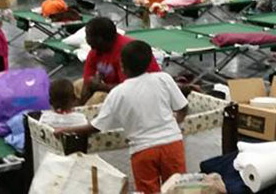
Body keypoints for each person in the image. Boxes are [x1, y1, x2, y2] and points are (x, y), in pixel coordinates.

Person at [59, 40, 188, 194]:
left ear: (121, 65)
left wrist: (64, 130)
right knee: (178, 189)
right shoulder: (164, 78)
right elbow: (183, 107)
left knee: (148, 191)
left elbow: (95, 127)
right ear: (150, 62)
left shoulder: (118, 93)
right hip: (172, 144)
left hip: (143, 150)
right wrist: (175, 125)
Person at [79, 17, 160, 105]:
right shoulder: (96, 50)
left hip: (141, 93)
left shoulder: (127, 52)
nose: (86, 40)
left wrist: (101, 87)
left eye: (87, 36)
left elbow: (129, 88)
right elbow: (87, 78)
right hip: (114, 86)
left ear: (99, 39)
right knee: (78, 86)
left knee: (98, 97)